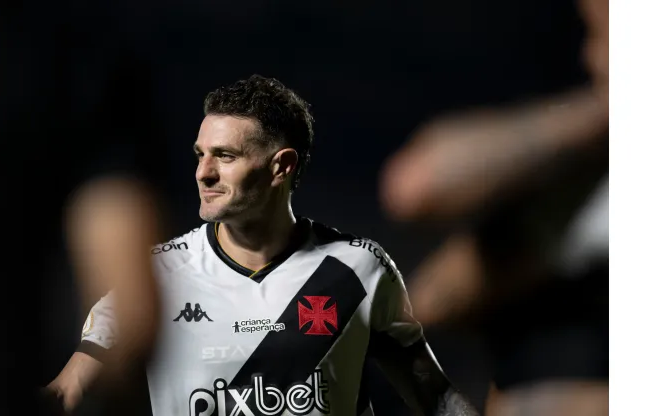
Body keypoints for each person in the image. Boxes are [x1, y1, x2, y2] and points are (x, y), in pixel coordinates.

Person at [46, 75, 479, 416]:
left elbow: (438, 400)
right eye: (200, 155)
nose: (204, 173)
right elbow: (66, 394)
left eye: (226, 156)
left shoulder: (357, 268)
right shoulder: (157, 275)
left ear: (280, 167)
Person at [378, 1, 608, 415]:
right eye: (594, 35)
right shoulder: (588, 181)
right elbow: (418, 190)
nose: (591, 55)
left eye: (604, 36)